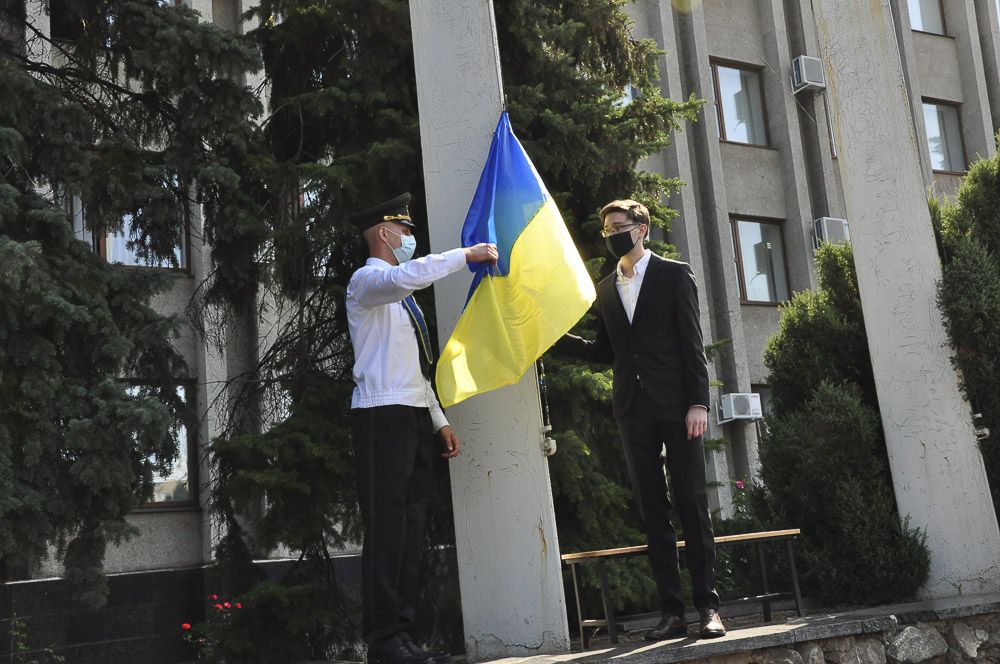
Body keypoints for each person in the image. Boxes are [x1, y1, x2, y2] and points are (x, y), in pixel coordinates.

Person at [554, 199, 726, 640]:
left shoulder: (673, 273)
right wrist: (555, 337)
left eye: (619, 226)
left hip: (678, 407)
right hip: (633, 410)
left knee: (691, 503)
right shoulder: (607, 288)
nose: (612, 234)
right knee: (653, 511)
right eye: (606, 229)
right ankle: (672, 614)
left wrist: (698, 404)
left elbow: (691, 341)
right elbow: (607, 352)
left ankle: (708, 608)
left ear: (642, 227)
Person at [346, 193, 498, 664]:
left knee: (410, 530)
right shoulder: (368, 282)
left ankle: (403, 635)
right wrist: (463, 255)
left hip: (411, 412)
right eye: (406, 232)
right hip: (380, 415)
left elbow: (417, 367)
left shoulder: (402, 299)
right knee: (387, 528)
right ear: (384, 233)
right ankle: (383, 641)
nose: (411, 239)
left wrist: (438, 420)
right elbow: (403, 277)